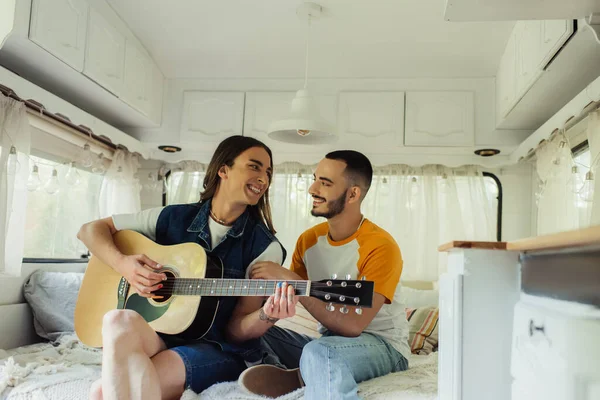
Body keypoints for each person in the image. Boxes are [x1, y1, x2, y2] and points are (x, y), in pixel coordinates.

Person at [78, 135, 298, 400]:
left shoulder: (264, 247)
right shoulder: (172, 217)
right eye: (255, 166)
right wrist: (124, 264)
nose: (263, 178)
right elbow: (90, 230)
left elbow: (236, 332)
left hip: (214, 348)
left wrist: (268, 315)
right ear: (223, 170)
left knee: (101, 392)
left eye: (268, 172)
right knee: (115, 319)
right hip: (160, 333)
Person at [240, 150, 410, 400]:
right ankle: (304, 372)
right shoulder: (308, 241)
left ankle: (307, 373)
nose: (312, 188)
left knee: (321, 352)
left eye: (325, 183)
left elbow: (353, 326)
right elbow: (289, 295)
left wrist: (296, 282)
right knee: (256, 333)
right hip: (328, 342)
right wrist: (268, 309)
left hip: (383, 347)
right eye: (315, 178)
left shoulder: (381, 246)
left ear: (353, 194)